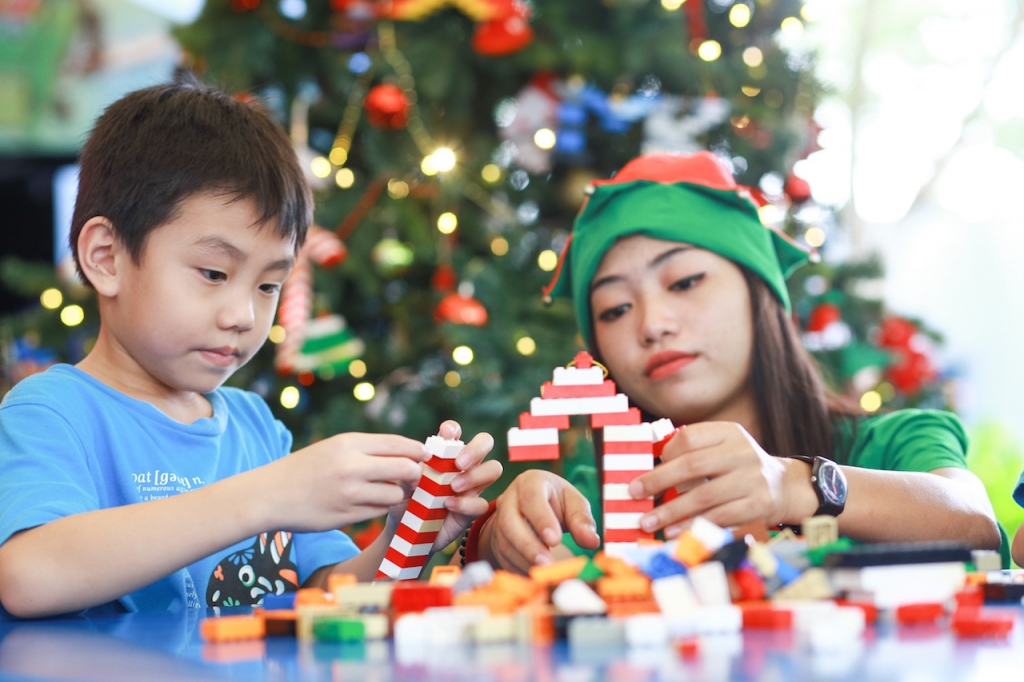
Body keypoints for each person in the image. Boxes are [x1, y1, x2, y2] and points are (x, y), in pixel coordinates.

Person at [0, 79, 501, 619]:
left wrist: (409, 536)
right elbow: (30, 576)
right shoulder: (51, 412)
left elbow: (330, 593)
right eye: (213, 273)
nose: (244, 315)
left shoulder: (256, 427)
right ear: (106, 257)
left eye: (268, 285)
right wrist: (264, 496)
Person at [471, 151, 1003, 573]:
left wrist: (796, 486)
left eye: (684, 281)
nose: (652, 323)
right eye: (614, 309)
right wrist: (501, 535)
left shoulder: (891, 444)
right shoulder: (604, 490)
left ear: (761, 296)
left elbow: (975, 522)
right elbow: (511, 566)